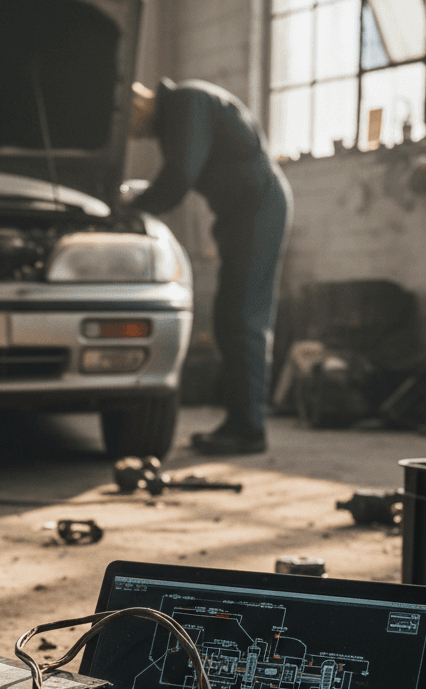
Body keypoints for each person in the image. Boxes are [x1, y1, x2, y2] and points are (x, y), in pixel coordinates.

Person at [129, 79, 292, 455]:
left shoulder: (185, 101)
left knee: (242, 319)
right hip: (243, 213)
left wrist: (132, 208)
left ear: (137, 100)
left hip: (258, 208)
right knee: (230, 317)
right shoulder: (179, 112)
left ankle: (248, 430)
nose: (135, 136)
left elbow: (178, 177)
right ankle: (241, 422)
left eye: (130, 126)